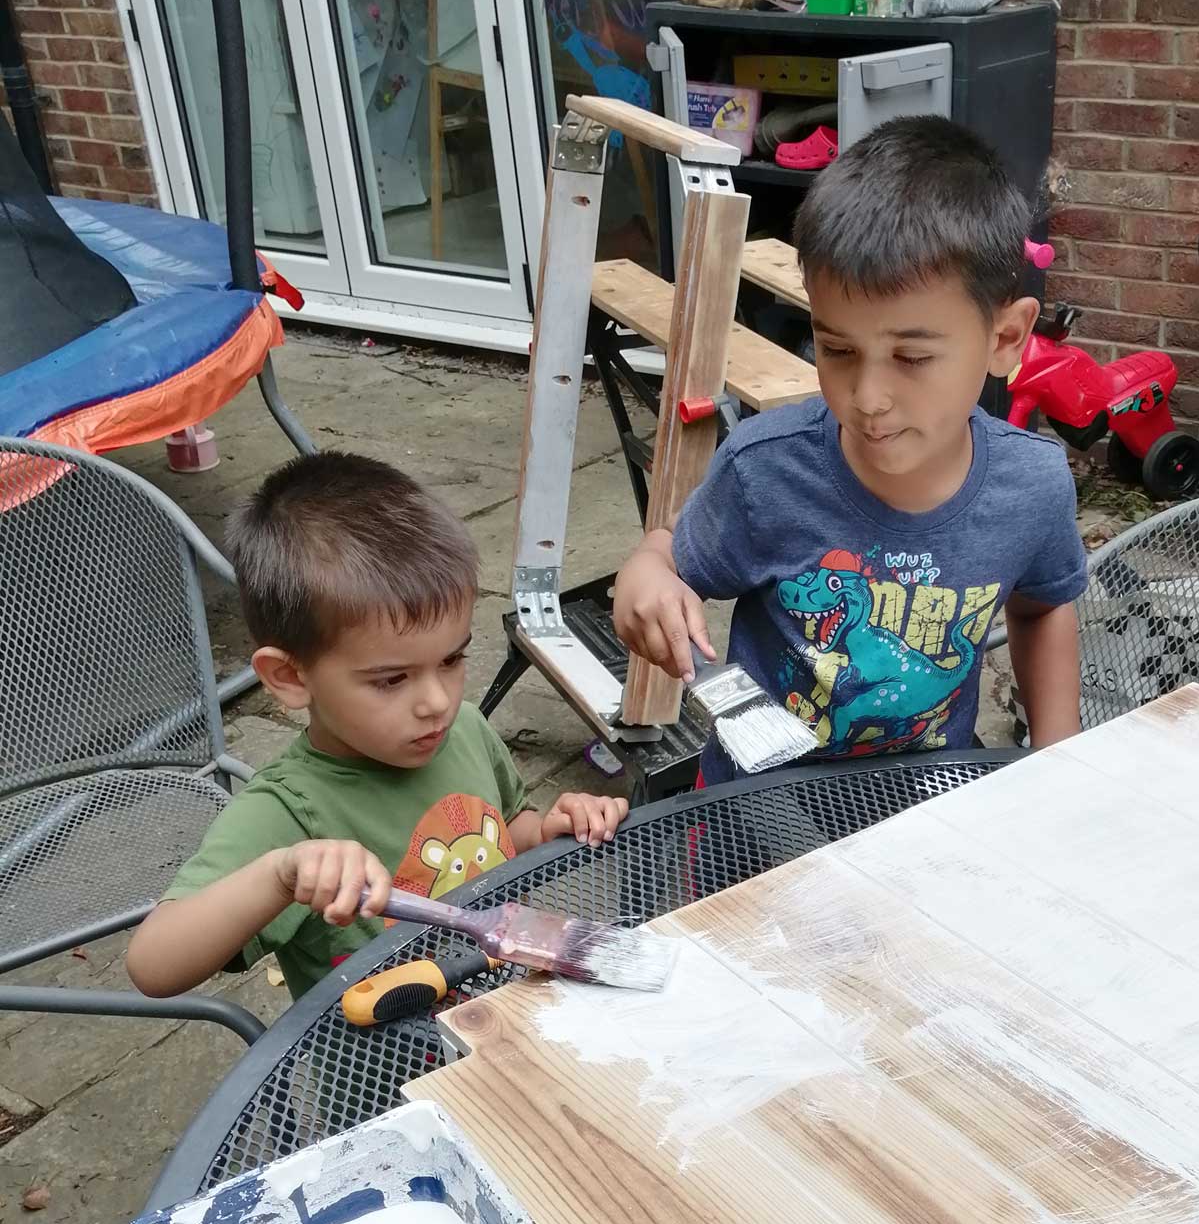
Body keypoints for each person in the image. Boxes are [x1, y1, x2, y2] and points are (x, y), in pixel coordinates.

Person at [612, 117, 1086, 782]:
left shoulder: (1032, 487)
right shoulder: (764, 471)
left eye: (911, 357)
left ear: (1005, 339)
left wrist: (1060, 764)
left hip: (926, 805)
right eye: (836, 349)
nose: (868, 397)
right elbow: (667, 556)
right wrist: (644, 577)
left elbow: (1040, 606)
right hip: (758, 810)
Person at [127, 452, 627, 1002]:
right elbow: (154, 965)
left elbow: (507, 830)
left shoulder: (464, 730)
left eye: (452, 659)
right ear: (290, 677)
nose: (437, 701)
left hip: (502, 1011)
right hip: (387, 1050)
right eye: (392, 680)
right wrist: (279, 876)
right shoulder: (287, 813)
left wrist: (548, 830)